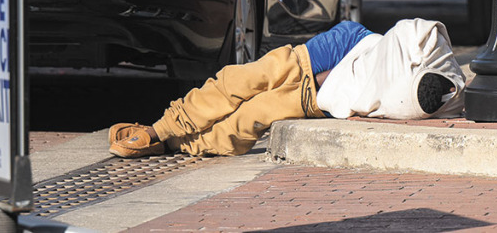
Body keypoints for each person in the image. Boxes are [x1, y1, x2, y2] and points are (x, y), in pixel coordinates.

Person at [109, 18, 465, 158]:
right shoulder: (427, 46)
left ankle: (174, 143)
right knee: (242, 80)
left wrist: (329, 85)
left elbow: (372, 101)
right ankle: (161, 128)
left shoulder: (417, 104)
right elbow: (408, 30)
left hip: (327, 94)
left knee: (253, 115)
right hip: (345, 46)